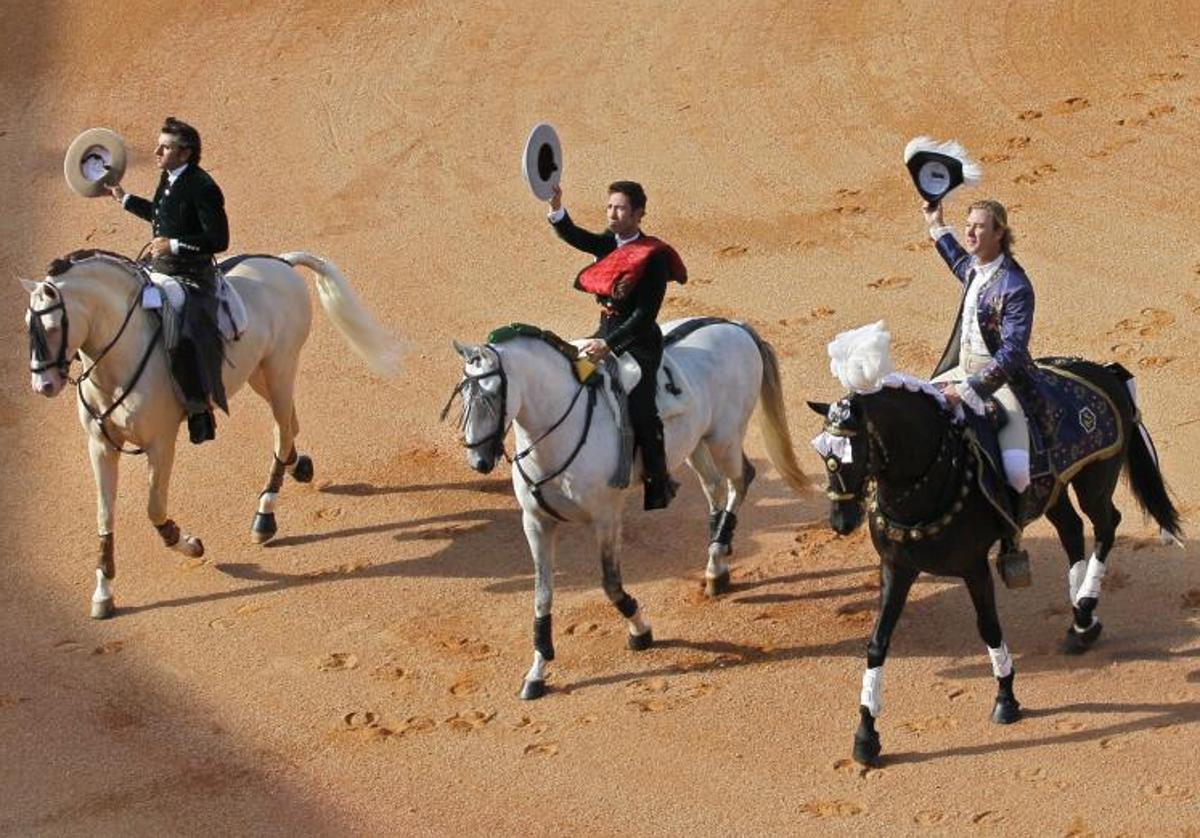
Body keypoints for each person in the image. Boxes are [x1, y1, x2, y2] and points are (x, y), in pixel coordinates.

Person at [923, 198, 1053, 553]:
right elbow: (957, 260)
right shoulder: (975, 270)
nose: (970, 231)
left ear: (999, 233)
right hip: (960, 368)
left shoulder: (1015, 285)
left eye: (980, 226)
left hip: (1001, 382)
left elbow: (1011, 353)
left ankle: (1011, 539)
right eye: (969, 224)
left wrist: (969, 390)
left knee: (1016, 471)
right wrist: (936, 224)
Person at [547, 180, 684, 510]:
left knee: (641, 408)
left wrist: (608, 345)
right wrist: (556, 208)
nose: (612, 213)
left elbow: (645, 315)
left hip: (639, 344)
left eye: (620, 208)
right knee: (575, 379)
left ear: (638, 214)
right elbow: (578, 237)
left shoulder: (653, 258)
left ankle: (658, 479)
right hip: (604, 334)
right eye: (609, 206)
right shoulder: (609, 243)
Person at [108, 116, 230, 444]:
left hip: (192, 273)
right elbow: (163, 215)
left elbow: (218, 239)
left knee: (184, 329)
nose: (156, 151)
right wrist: (124, 199)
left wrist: (174, 244)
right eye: (159, 144)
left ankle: (198, 408)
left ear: (185, 153)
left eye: (164, 147)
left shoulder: (203, 187)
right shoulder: (170, 176)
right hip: (159, 264)